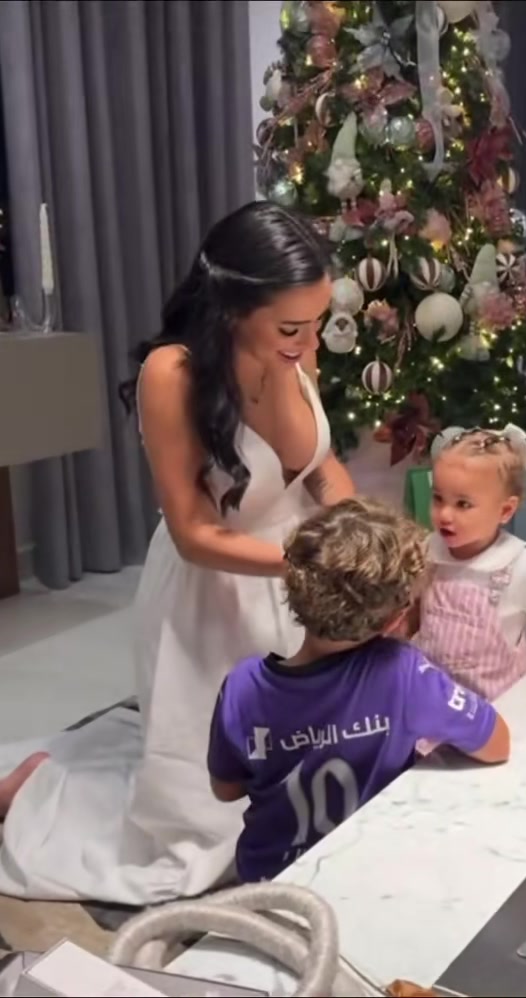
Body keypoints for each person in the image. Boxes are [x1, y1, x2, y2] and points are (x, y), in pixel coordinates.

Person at [0, 201, 354, 904]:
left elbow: (320, 467)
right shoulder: (174, 373)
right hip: (212, 591)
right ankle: (37, 790)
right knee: (205, 835)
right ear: (233, 308)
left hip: (297, 582)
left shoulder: (296, 348)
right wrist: (311, 563)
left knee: (307, 789)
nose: (309, 341)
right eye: (291, 327)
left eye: (317, 322)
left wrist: (359, 530)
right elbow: (194, 535)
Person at [207, 496, 510, 883]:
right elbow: (497, 743)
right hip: (368, 876)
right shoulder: (403, 673)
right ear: (393, 620)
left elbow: (227, 789)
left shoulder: (243, 686)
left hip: (269, 881)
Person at [411, 426, 526, 702]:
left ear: (505, 510)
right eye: (438, 498)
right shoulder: (430, 549)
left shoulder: (518, 562)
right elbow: (419, 609)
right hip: (435, 692)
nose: (445, 514)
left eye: (463, 504)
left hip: (497, 697)